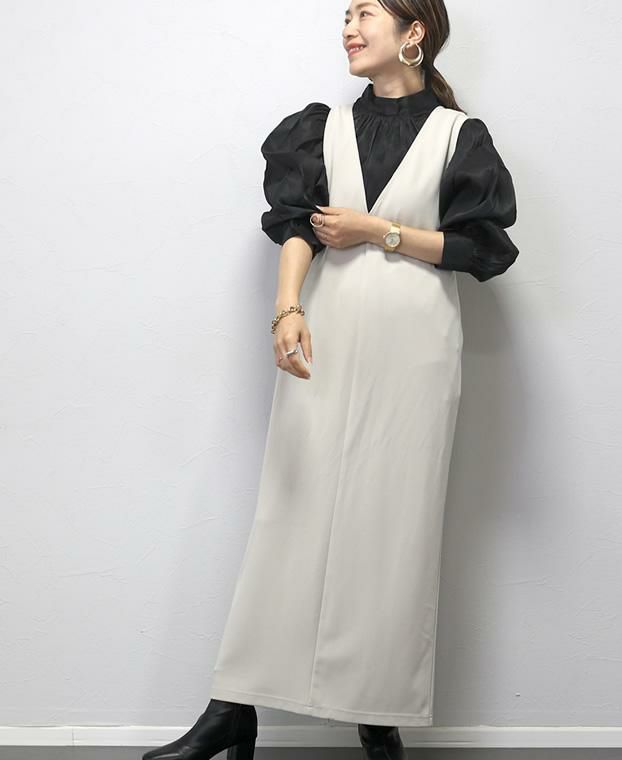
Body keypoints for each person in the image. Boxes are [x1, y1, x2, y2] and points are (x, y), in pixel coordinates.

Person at [142, 1, 518, 759]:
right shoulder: (321, 128)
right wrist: (287, 310)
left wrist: (376, 231)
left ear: (414, 32)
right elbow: (296, 226)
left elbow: (482, 250)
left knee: (395, 524)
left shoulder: (459, 137)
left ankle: (376, 712)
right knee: (291, 511)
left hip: (415, 348)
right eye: (345, 14)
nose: (348, 26)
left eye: (365, 13)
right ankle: (233, 706)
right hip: (326, 334)